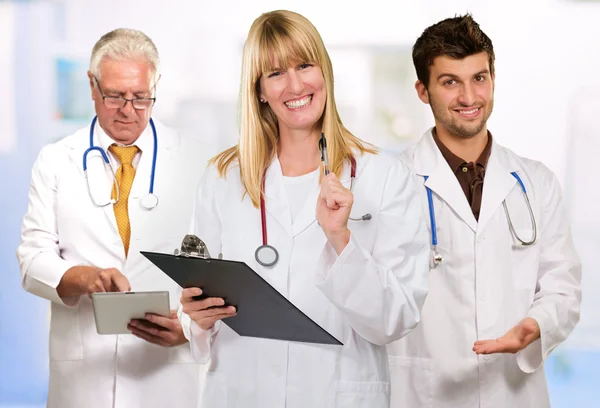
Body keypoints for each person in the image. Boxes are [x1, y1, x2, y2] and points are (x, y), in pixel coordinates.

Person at [178, 10, 429, 408]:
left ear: (324, 72)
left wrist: (341, 240)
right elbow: (196, 301)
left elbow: (395, 319)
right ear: (259, 89)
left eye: (304, 65)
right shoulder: (222, 178)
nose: (295, 85)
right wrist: (197, 317)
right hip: (242, 391)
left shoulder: (385, 176)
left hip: (337, 393)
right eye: (275, 73)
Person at [387, 14, 582, 408]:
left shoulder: (536, 182)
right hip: (425, 392)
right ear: (423, 91)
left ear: (493, 78)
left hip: (513, 392)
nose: (469, 97)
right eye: (450, 82)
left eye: (479, 78)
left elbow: (563, 286)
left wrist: (535, 325)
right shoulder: (390, 183)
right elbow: (373, 298)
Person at [16, 28, 207, 408]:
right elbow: (31, 259)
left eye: (140, 98)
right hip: (86, 377)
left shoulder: (198, 160)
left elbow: (220, 265)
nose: (127, 110)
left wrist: (189, 330)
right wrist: (85, 277)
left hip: (167, 374)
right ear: (92, 86)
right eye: (115, 96)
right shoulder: (56, 160)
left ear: (156, 87)